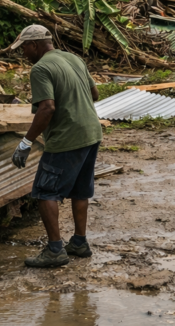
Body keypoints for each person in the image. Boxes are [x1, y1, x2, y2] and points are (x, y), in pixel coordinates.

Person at [10, 25, 103, 268]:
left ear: (35, 45)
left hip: (66, 138)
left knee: (44, 191)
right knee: (80, 190)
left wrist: (26, 141)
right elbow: (94, 94)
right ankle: (79, 243)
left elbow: (47, 108)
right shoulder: (73, 58)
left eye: (24, 48)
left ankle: (54, 250)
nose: (23, 54)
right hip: (91, 132)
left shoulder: (40, 68)